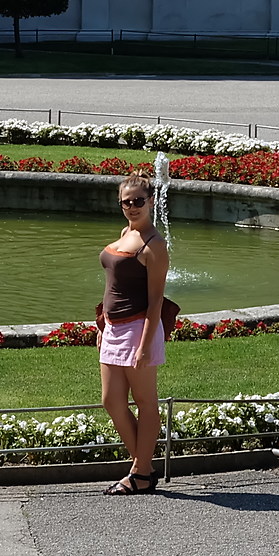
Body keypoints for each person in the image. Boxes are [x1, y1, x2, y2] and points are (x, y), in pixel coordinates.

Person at [96, 174, 170, 494]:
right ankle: (144, 466)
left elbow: (156, 302)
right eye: (127, 201)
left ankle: (139, 473)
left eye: (139, 201)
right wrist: (103, 324)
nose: (132, 207)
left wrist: (143, 347)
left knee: (144, 400)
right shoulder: (125, 232)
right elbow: (114, 283)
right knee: (111, 400)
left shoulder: (154, 245)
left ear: (151, 201)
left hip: (139, 328)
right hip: (114, 328)